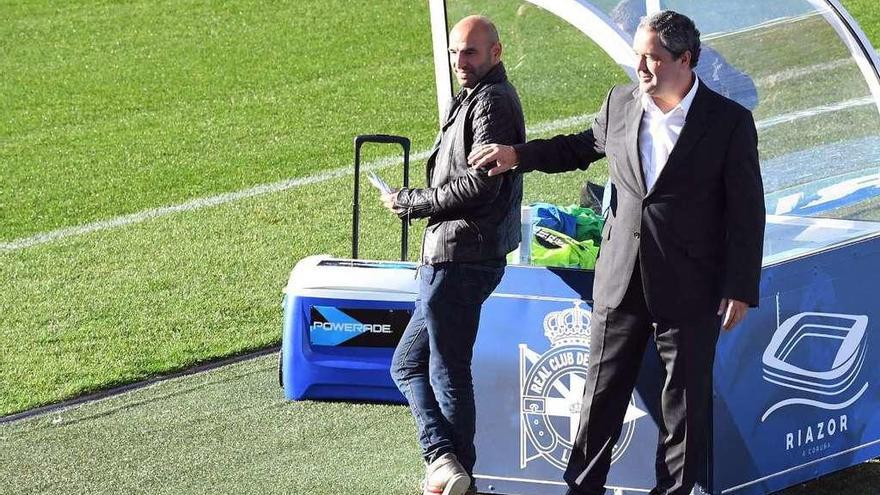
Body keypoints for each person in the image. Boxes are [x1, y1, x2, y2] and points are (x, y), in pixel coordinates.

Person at [469, 11, 764, 495]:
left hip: (692, 284)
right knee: (600, 397)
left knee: (684, 406)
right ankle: (583, 488)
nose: (641, 69)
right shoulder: (620, 102)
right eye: (637, 57)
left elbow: (747, 211)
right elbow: (580, 147)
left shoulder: (729, 123)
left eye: (652, 59)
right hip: (619, 279)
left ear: (686, 60)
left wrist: (739, 286)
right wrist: (519, 154)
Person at [383, 15, 525, 495]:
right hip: (455, 255)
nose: (460, 62)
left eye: (470, 52)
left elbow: (480, 184)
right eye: (454, 52)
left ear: (496, 53)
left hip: (460, 258)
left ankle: (451, 466)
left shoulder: (493, 102)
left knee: (446, 369)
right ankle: (447, 461)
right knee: (407, 364)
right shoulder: (477, 97)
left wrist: (411, 201)